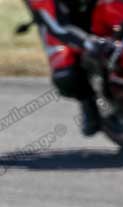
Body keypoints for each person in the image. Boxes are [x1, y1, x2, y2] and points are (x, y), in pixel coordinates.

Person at [27, 0, 112, 135]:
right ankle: (88, 102)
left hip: (103, 15)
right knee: (65, 72)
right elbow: (57, 27)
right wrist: (89, 43)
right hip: (66, 27)